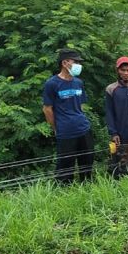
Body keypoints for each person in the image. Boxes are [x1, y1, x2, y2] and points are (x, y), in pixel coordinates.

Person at [42, 49, 94, 183]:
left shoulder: (78, 82)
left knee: (87, 164)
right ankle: (65, 194)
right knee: (65, 169)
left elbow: (81, 105)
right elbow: (47, 109)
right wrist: (55, 127)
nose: (78, 65)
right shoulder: (52, 84)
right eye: (75, 61)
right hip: (65, 132)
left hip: (84, 129)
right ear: (64, 63)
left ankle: (87, 188)